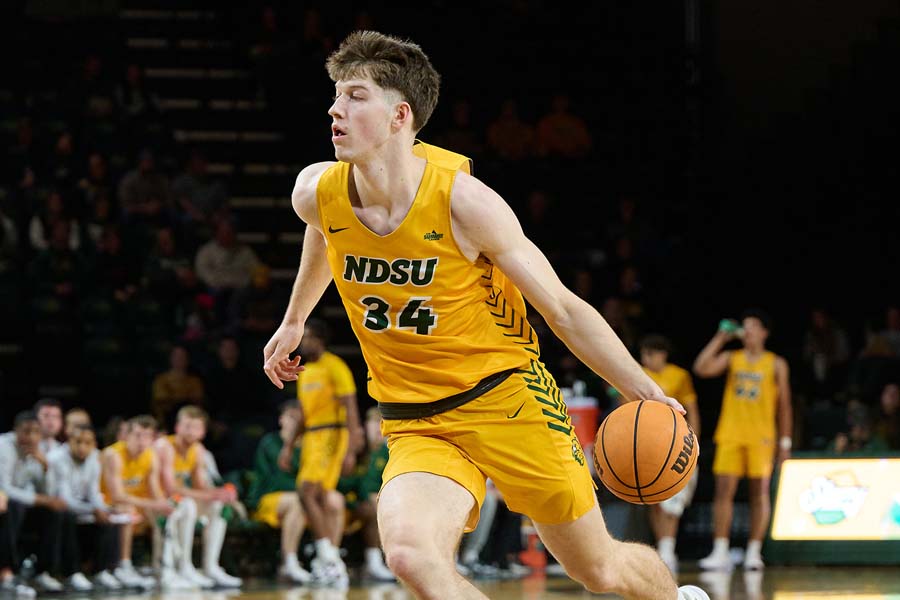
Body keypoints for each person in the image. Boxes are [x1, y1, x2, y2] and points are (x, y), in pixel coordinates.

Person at [261, 31, 707, 600]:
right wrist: (295, 318)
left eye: (354, 96)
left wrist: (641, 390)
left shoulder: (465, 204)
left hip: (507, 400)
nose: (334, 109)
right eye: (335, 95)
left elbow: (564, 310)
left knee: (597, 570)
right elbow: (323, 232)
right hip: (417, 419)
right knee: (409, 555)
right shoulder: (314, 190)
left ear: (400, 115)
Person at [693, 309, 793, 571]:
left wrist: (785, 442)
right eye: (744, 327)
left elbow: (785, 406)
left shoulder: (776, 363)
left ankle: (754, 551)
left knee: (759, 493)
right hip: (731, 433)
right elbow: (701, 368)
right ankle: (721, 549)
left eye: (752, 327)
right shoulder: (732, 357)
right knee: (723, 491)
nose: (747, 331)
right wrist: (720, 338)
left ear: (764, 332)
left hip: (762, 436)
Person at [278, 318, 364, 587]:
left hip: (331, 434)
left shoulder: (335, 366)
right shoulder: (306, 370)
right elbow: (303, 413)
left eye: (310, 337)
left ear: (322, 340)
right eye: (304, 337)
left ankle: (328, 556)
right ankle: (329, 561)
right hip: (313, 437)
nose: (305, 342)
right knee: (321, 498)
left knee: (307, 492)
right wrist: (289, 445)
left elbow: (351, 408)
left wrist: (351, 447)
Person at [98, 415, 192, 590]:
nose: (142, 441)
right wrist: (154, 505)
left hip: (138, 505)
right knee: (127, 509)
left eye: (147, 436)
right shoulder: (113, 455)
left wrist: (166, 505)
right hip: (107, 505)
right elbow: (117, 496)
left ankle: (168, 568)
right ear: (127, 436)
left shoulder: (150, 456)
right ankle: (124, 566)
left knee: (170, 511)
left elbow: (155, 491)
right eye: (138, 435)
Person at [153, 405, 243, 588]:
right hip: (154, 501)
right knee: (188, 506)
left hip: (176, 501)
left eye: (196, 427)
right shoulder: (165, 446)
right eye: (187, 426)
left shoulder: (198, 450)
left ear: (202, 431)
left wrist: (220, 494)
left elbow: (199, 485)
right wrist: (209, 494)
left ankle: (211, 566)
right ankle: (182, 566)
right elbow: (171, 488)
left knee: (217, 506)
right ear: (177, 427)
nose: (190, 431)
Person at [638, 334, 701, 575]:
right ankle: (662, 547)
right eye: (643, 354)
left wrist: (694, 439)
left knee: (672, 500)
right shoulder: (638, 374)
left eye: (650, 354)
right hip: (645, 442)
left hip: (673, 441)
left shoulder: (679, 376)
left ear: (662, 354)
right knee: (653, 498)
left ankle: (667, 547)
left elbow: (691, 410)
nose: (646, 359)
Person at [45, 425, 122, 590]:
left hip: (81, 506)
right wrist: (93, 510)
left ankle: (103, 570)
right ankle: (72, 573)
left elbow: (93, 493)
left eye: (87, 443)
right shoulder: (57, 458)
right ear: (68, 441)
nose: (82, 447)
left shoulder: (94, 457)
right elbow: (64, 499)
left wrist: (104, 509)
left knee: (110, 517)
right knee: (67, 516)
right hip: (55, 507)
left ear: (94, 444)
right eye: (78, 442)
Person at [0, 411, 68, 595]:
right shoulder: (4, 446)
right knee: (13, 505)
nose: (30, 437)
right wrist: (41, 500)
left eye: (35, 432)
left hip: (21, 505)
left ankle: (42, 572)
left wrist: (45, 466)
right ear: (15, 431)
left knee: (55, 511)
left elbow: (47, 492)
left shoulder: (40, 449)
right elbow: (4, 487)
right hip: (5, 504)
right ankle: (7, 572)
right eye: (26, 431)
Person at [246, 401, 311, 583]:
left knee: (331, 500)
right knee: (298, 501)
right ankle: (288, 562)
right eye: (291, 417)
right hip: (267, 498)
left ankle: (328, 558)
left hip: (299, 499)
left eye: (298, 418)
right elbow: (273, 480)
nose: (294, 422)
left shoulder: (308, 444)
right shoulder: (270, 443)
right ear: (281, 419)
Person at [337, 407, 394, 582]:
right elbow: (343, 483)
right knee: (374, 506)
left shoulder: (386, 452)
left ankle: (384, 561)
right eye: (372, 423)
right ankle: (374, 562)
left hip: (370, 504)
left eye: (380, 424)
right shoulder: (353, 450)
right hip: (348, 503)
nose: (376, 429)